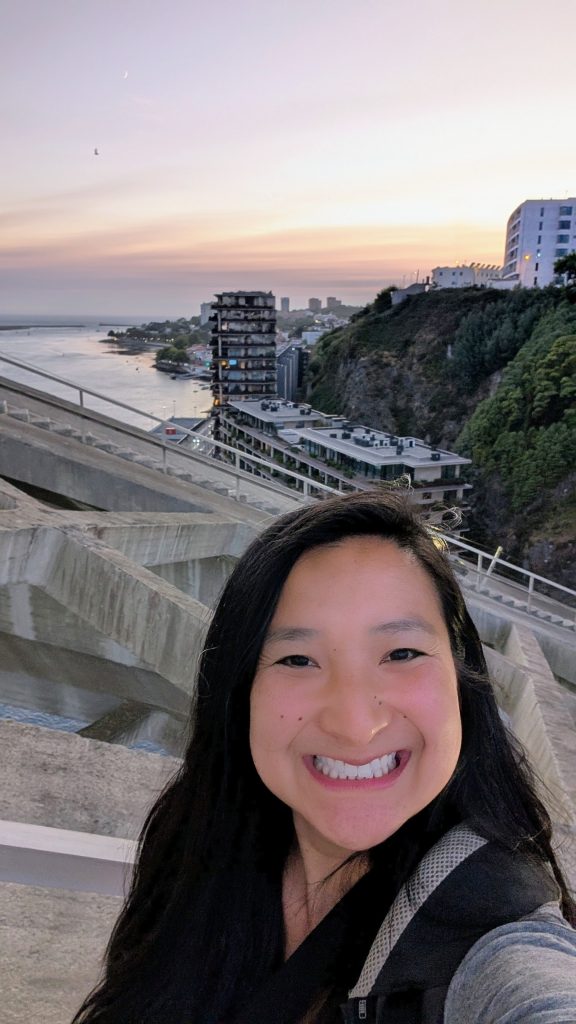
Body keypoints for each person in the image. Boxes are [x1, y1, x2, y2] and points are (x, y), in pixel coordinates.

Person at [73, 491, 576, 1024]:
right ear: (241, 693)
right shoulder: (198, 844)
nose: (356, 725)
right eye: (297, 659)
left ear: (461, 680)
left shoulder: (497, 934)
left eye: (401, 653)